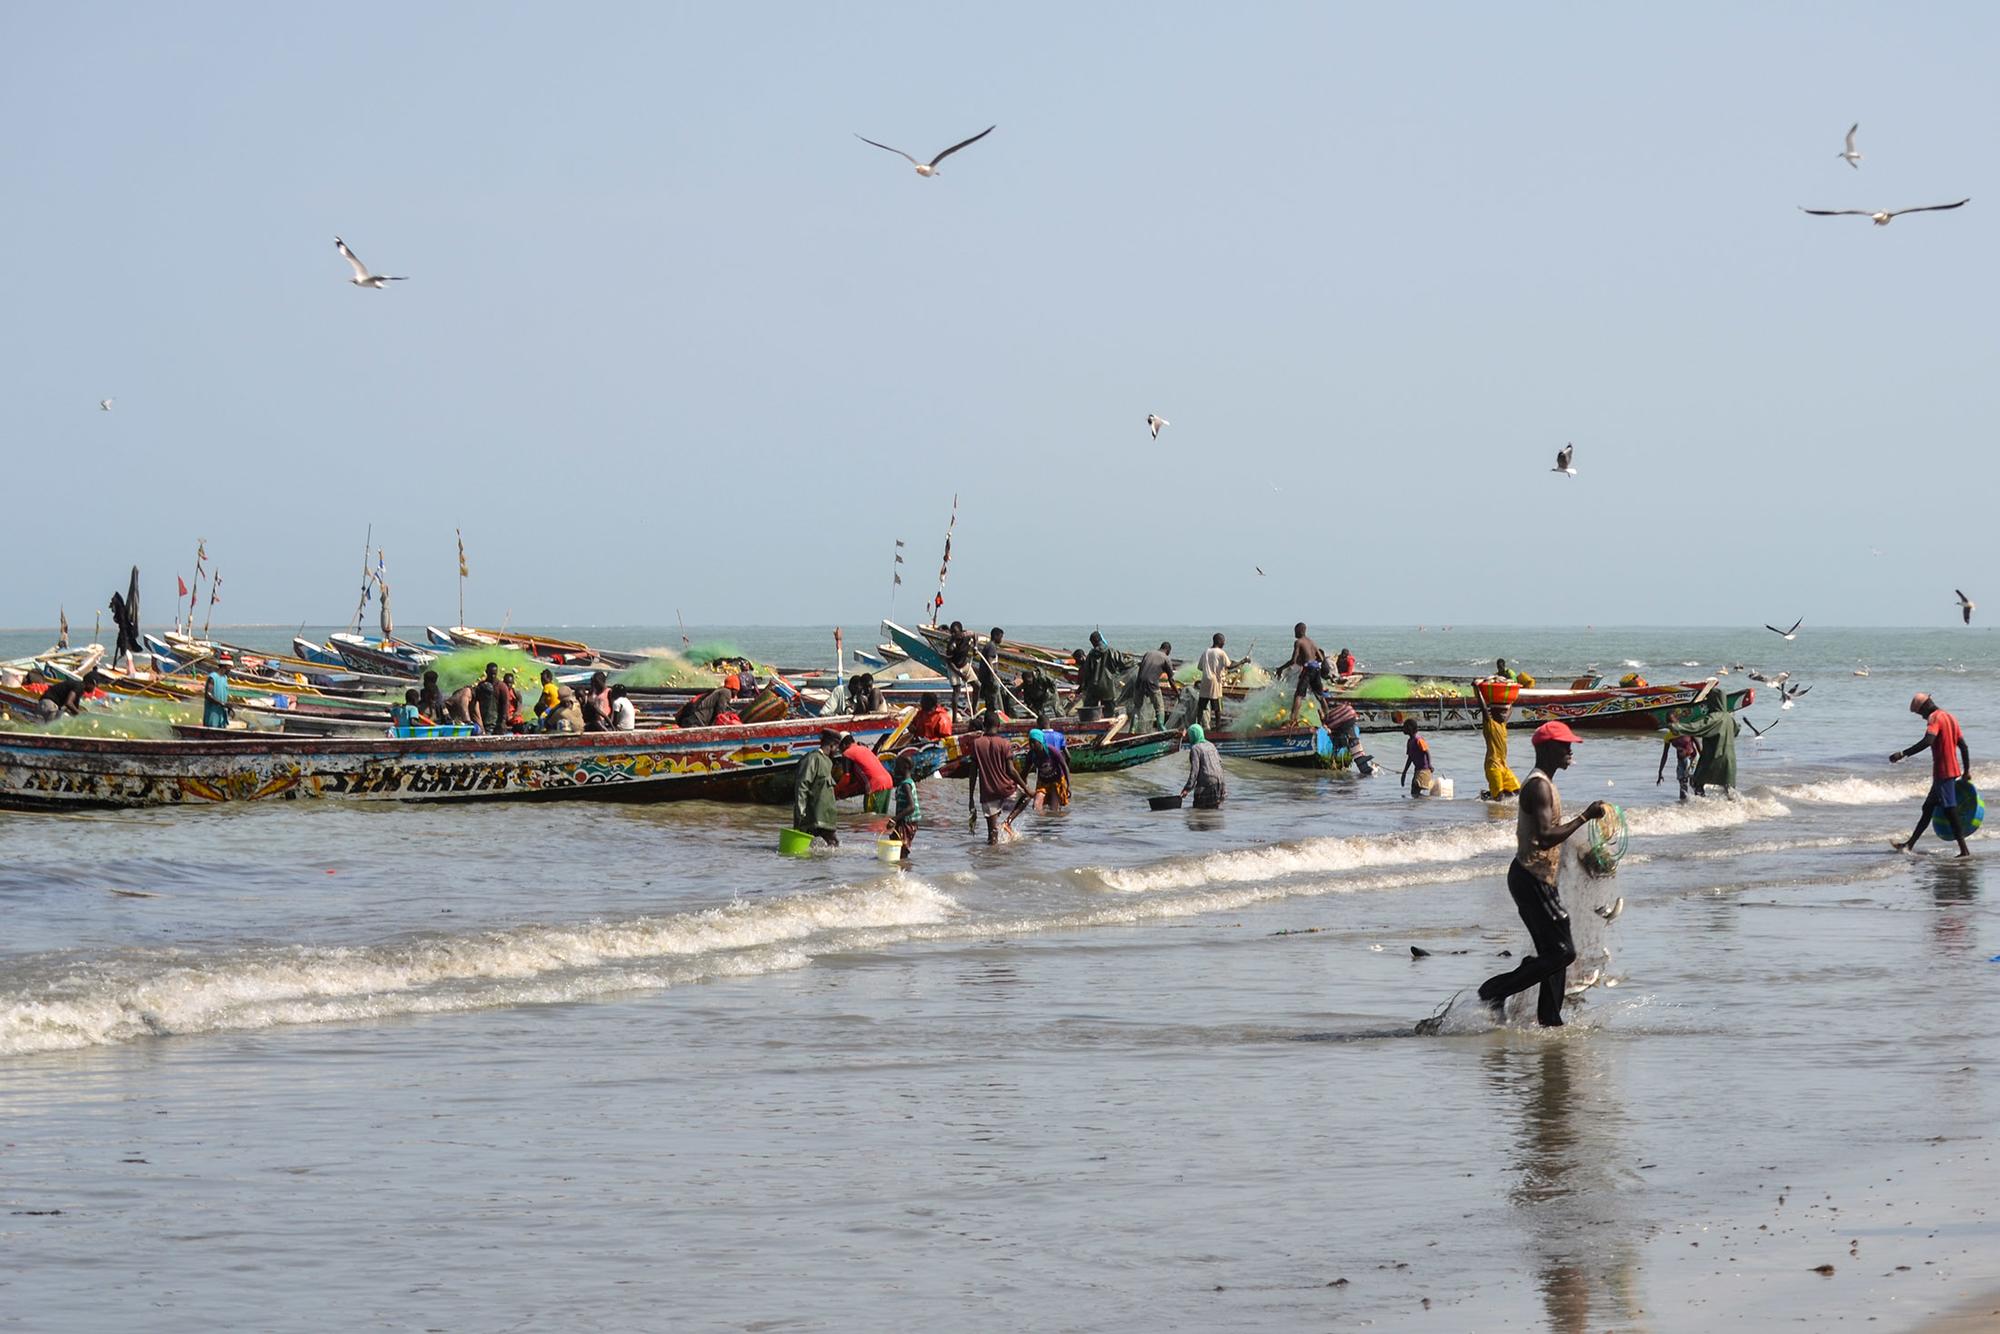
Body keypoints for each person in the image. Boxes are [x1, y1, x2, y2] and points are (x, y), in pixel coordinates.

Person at [1475, 722, 1610, 1027]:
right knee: (1563, 952)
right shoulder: (1537, 786)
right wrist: (1585, 816)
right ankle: (1495, 989)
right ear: (1547, 749)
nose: (1569, 750)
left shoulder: (1546, 783)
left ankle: (1550, 1017)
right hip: (1529, 878)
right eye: (1564, 745)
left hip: (1537, 878)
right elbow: (1547, 836)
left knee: (1554, 951)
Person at [1891, 693, 1972, 857]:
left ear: (1925, 707)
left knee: (1950, 810)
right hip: (1949, 772)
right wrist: (1966, 771)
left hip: (1944, 772)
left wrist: (1903, 753)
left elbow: (1928, 741)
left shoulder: (1934, 718)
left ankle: (1964, 850)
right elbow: (1963, 746)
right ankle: (1909, 845)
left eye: (1920, 713)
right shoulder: (1950, 717)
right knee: (1927, 808)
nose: (1921, 717)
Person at [1670, 688, 1740, 799]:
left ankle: (1702, 807)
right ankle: (1736, 809)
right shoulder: (1729, 718)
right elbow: (1737, 731)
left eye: (1708, 699)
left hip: (1714, 757)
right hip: (1730, 760)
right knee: (1729, 789)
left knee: (1696, 782)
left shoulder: (1715, 718)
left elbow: (1698, 727)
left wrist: (1677, 727)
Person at [966, 711, 1024, 845]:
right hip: (1006, 789)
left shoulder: (977, 744)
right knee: (1025, 797)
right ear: (998, 725)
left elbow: (973, 773)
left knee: (992, 837)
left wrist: (971, 798)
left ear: (984, 725)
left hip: (988, 794)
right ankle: (1008, 822)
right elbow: (1011, 770)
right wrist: (1026, 788)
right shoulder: (1004, 743)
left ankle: (991, 862)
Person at [792, 728, 843, 847]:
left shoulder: (828, 762)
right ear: (831, 745)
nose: (836, 751)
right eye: (836, 747)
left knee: (831, 847)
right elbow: (802, 786)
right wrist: (800, 813)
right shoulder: (812, 759)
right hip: (814, 818)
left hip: (826, 819)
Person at [1283, 623, 1333, 725]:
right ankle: (1328, 716)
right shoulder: (1311, 642)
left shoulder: (1298, 642)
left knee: (1299, 695)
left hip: (1308, 670)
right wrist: (1311, 661)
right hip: (1316, 670)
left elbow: (1293, 660)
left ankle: (1292, 720)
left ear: (1300, 631)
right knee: (1319, 695)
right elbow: (1321, 658)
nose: (1294, 633)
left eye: (1295, 631)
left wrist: (1281, 668)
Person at [1122, 642, 1175, 732]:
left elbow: (1142, 667)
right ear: (1168, 651)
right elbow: (1171, 680)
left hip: (1139, 683)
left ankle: (1132, 730)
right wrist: (1177, 693)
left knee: (1137, 706)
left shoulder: (1148, 653)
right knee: (1159, 707)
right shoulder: (1166, 658)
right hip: (1152, 684)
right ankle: (1161, 727)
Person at [1077, 631, 1130, 718]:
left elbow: (1087, 673)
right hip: (1108, 687)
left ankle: (1092, 727)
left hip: (1094, 688)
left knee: (1090, 712)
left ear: (1093, 642)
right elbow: (1123, 663)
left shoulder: (1091, 655)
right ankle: (1108, 725)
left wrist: (1083, 687)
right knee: (1109, 712)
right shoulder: (1112, 651)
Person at [1021, 728, 1071, 814]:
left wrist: (1068, 785)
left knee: (1054, 809)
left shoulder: (1052, 751)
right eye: (1030, 742)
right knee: (1036, 806)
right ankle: (1041, 825)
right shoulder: (1031, 755)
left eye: (1034, 742)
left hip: (1056, 781)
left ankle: (1052, 826)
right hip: (1042, 783)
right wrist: (1026, 789)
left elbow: (1064, 766)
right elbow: (1025, 773)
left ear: (1040, 741)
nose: (1032, 745)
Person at [841, 734, 894, 814]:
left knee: (871, 818)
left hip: (875, 785)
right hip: (888, 782)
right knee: (882, 817)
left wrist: (835, 791)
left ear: (844, 745)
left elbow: (846, 778)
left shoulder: (847, 753)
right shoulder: (865, 749)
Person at [1322, 699, 1376, 776]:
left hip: (1347, 717)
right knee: (1352, 738)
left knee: (1351, 738)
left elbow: (1330, 732)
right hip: (1350, 714)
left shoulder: (1328, 722)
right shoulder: (1332, 716)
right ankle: (1362, 761)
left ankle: (1361, 762)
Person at [1195, 634, 1236, 731]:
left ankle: (1198, 726)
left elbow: (1200, 667)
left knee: (1201, 707)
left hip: (1205, 681)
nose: (1224, 643)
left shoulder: (1206, 651)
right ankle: (1218, 728)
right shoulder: (1221, 653)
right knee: (1217, 708)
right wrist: (1243, 661)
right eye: (1223, 641)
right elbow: (1230, 666)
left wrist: (1209, 669)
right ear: (1219, 641)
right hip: (1215, 683)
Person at [1181, 722, 1227, 808]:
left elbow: (1194, 771)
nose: (1189, 738)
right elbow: (1220, 764)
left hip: (1207, 784)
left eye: (1190, 736)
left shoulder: (1195, 749)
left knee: (1198, 810)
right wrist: (1223, 788)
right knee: (1214, 811)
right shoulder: (1211, 745)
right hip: (1220, 782)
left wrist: (1187, 789)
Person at [1481, 704, 1521, 800]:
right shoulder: (1490, 725)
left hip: (1503, 765)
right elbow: (1483, 709)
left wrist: (1513, 698)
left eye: (1505, 713)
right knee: (1499, 797)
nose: (1504, 715)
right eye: (1502, 713)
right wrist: (1477, 690)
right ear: (1494, 714)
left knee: (1517, 791)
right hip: (1493, 765)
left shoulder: (1502, 725)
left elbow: (1510, 709)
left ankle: (1488, 795)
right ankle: (1493, 796)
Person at [888, 752, 922, 857]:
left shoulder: (906, 785)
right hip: (906, 821)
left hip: (907, 822)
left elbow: (911, 807)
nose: (894, 768)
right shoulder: (909, 782)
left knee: (901, 849)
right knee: (895, 840)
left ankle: (904, 869)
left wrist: (894, 819)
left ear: (904, 767)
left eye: (897, 766)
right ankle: (901, 867)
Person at [943, 621, 976, 719]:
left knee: (977, 685)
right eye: (951, 632)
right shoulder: (951, 645)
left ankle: (974, 711)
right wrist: (960, 675)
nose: (953, 635)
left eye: (955, 632)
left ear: (961, 632)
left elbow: (975, 635)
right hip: (954, 667)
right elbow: (950, 662)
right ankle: (954, 719)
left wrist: (975, 646)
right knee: (957, 690)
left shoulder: (967, 635)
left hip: (964, 664)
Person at [1657, 731, 1698, 803]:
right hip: (1681, 761)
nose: (1672, 726)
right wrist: (1660, 771)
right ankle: (1682, 806)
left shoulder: (1686, 730)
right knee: (1682, 784)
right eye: (1669, 725)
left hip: (1692, 759)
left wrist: (1704, 761)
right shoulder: (1669, 736)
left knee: (1693, 783)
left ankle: (1700, 804)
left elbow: (1698, 745)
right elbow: (1665, 754)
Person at [1400, 718, 1436, 796]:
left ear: (1410, 728)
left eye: (1404, 727)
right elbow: (1410, 758)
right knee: (1414, 791)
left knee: (1415, 790)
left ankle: (1423, 803)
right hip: (1417, 770)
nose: (1403, 729)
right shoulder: (1409, 741)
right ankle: (1421, 804)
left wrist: (1429, 765)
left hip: (1424, 770)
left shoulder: (1418, 740)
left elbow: (1426, 752)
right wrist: (1404, 772)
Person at [472, 662, 505, 735]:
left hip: (494, 722)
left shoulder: (502, 687)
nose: (493, 676)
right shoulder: (481, 685)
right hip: (481, 720)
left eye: (494, 674)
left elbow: (505, 706)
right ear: (486, 672)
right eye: (491, 674)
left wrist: (502, 723)